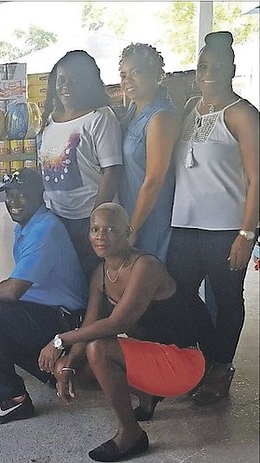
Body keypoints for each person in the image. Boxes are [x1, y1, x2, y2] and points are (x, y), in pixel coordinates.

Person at [38, 202, 205, 462]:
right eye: (95, 229)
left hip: (184, 362)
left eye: (110, 229)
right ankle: (146, 395)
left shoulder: (145, 266)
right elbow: (89, 325)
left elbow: (118, 324)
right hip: (153, 360)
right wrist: (69, 363)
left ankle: (131, 434)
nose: (100, 236)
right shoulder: (101, 275)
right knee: (67, 368)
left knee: (99, 348)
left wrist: (61, 339)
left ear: (128, 232)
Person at [167, 31, 259, 405]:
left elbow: (257, 178)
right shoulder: (191, 106)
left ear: (232, 69)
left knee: (227, 297)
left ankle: (221, 367)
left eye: (218, 66)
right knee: (179, 293)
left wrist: (246, 234)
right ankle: (205, 356)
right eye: (204, 65)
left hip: (225, 229)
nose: (209, 73)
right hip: (185, 224)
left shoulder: (243, 113)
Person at [0, 168, 88, 426]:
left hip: (64, 320)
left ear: (39, 195)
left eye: (22, 194)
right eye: (9, 194)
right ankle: (45, 372)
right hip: (46, 313)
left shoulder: (45, 228)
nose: (13, 201)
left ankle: (10, 400)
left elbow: (12, 290)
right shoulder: (29, 225)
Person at [37, 50, 123, 281]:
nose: (66, 86)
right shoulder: (50, 121)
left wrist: (95, 223)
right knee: (66, 282)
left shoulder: (100, 117)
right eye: (62, 80)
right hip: (57, 219)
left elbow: (111, 172)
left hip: (90, 220)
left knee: (95, 282)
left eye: (75, 80)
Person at [117, 43, 181, 263]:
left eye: (136, 73)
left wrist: (133, 228)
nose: (127, 80)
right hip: (130, 211)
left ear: (156, 74)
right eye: (123, 75)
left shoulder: (160, 117)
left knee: (152, 282)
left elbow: (154, 179)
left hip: (152, 217)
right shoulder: (134, 109)